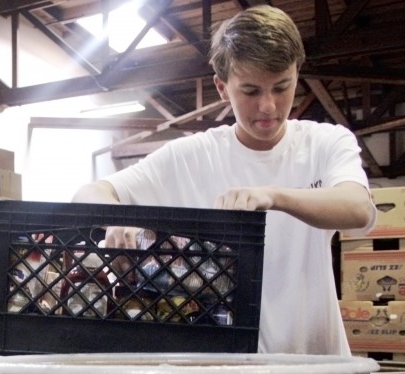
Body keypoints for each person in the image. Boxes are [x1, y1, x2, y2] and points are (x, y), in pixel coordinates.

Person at [72, 4, 375, 356]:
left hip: (314, 363)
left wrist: (273, 196)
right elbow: (90, 192)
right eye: (250, 91)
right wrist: (117, 218)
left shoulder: (325, 142)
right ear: (222, 87)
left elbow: (357, 208)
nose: (268, 106)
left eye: (282, 87)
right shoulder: (191, 156)